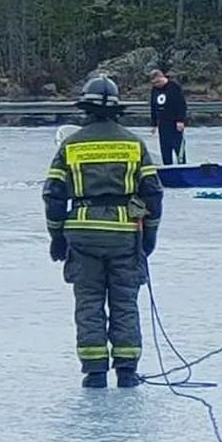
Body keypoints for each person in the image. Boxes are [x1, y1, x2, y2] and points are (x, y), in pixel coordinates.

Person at [43, 76, 164, 388]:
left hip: (82, 234)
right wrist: (149, 234)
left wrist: (57, 237)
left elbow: (54, 194)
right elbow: (152, 193)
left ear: (85, 109)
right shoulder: (133, 144)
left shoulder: (71, 145)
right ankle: (127, 371)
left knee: (89, 303)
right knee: (125, 302)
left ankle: (95, 372)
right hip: (125, 234)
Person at [149, 68, 188, 164]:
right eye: (154, 83)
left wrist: (180, 120)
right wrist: (154, 124)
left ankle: (181, 165)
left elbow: (181, 104)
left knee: (178, 147)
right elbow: (153, 106)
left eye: (158, 82)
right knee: (165, 148)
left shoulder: (174, 87)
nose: (157, 85)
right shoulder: (155, 90)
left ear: (162, 77)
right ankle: (167, 165)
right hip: (163, 124)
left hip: (174, 123)